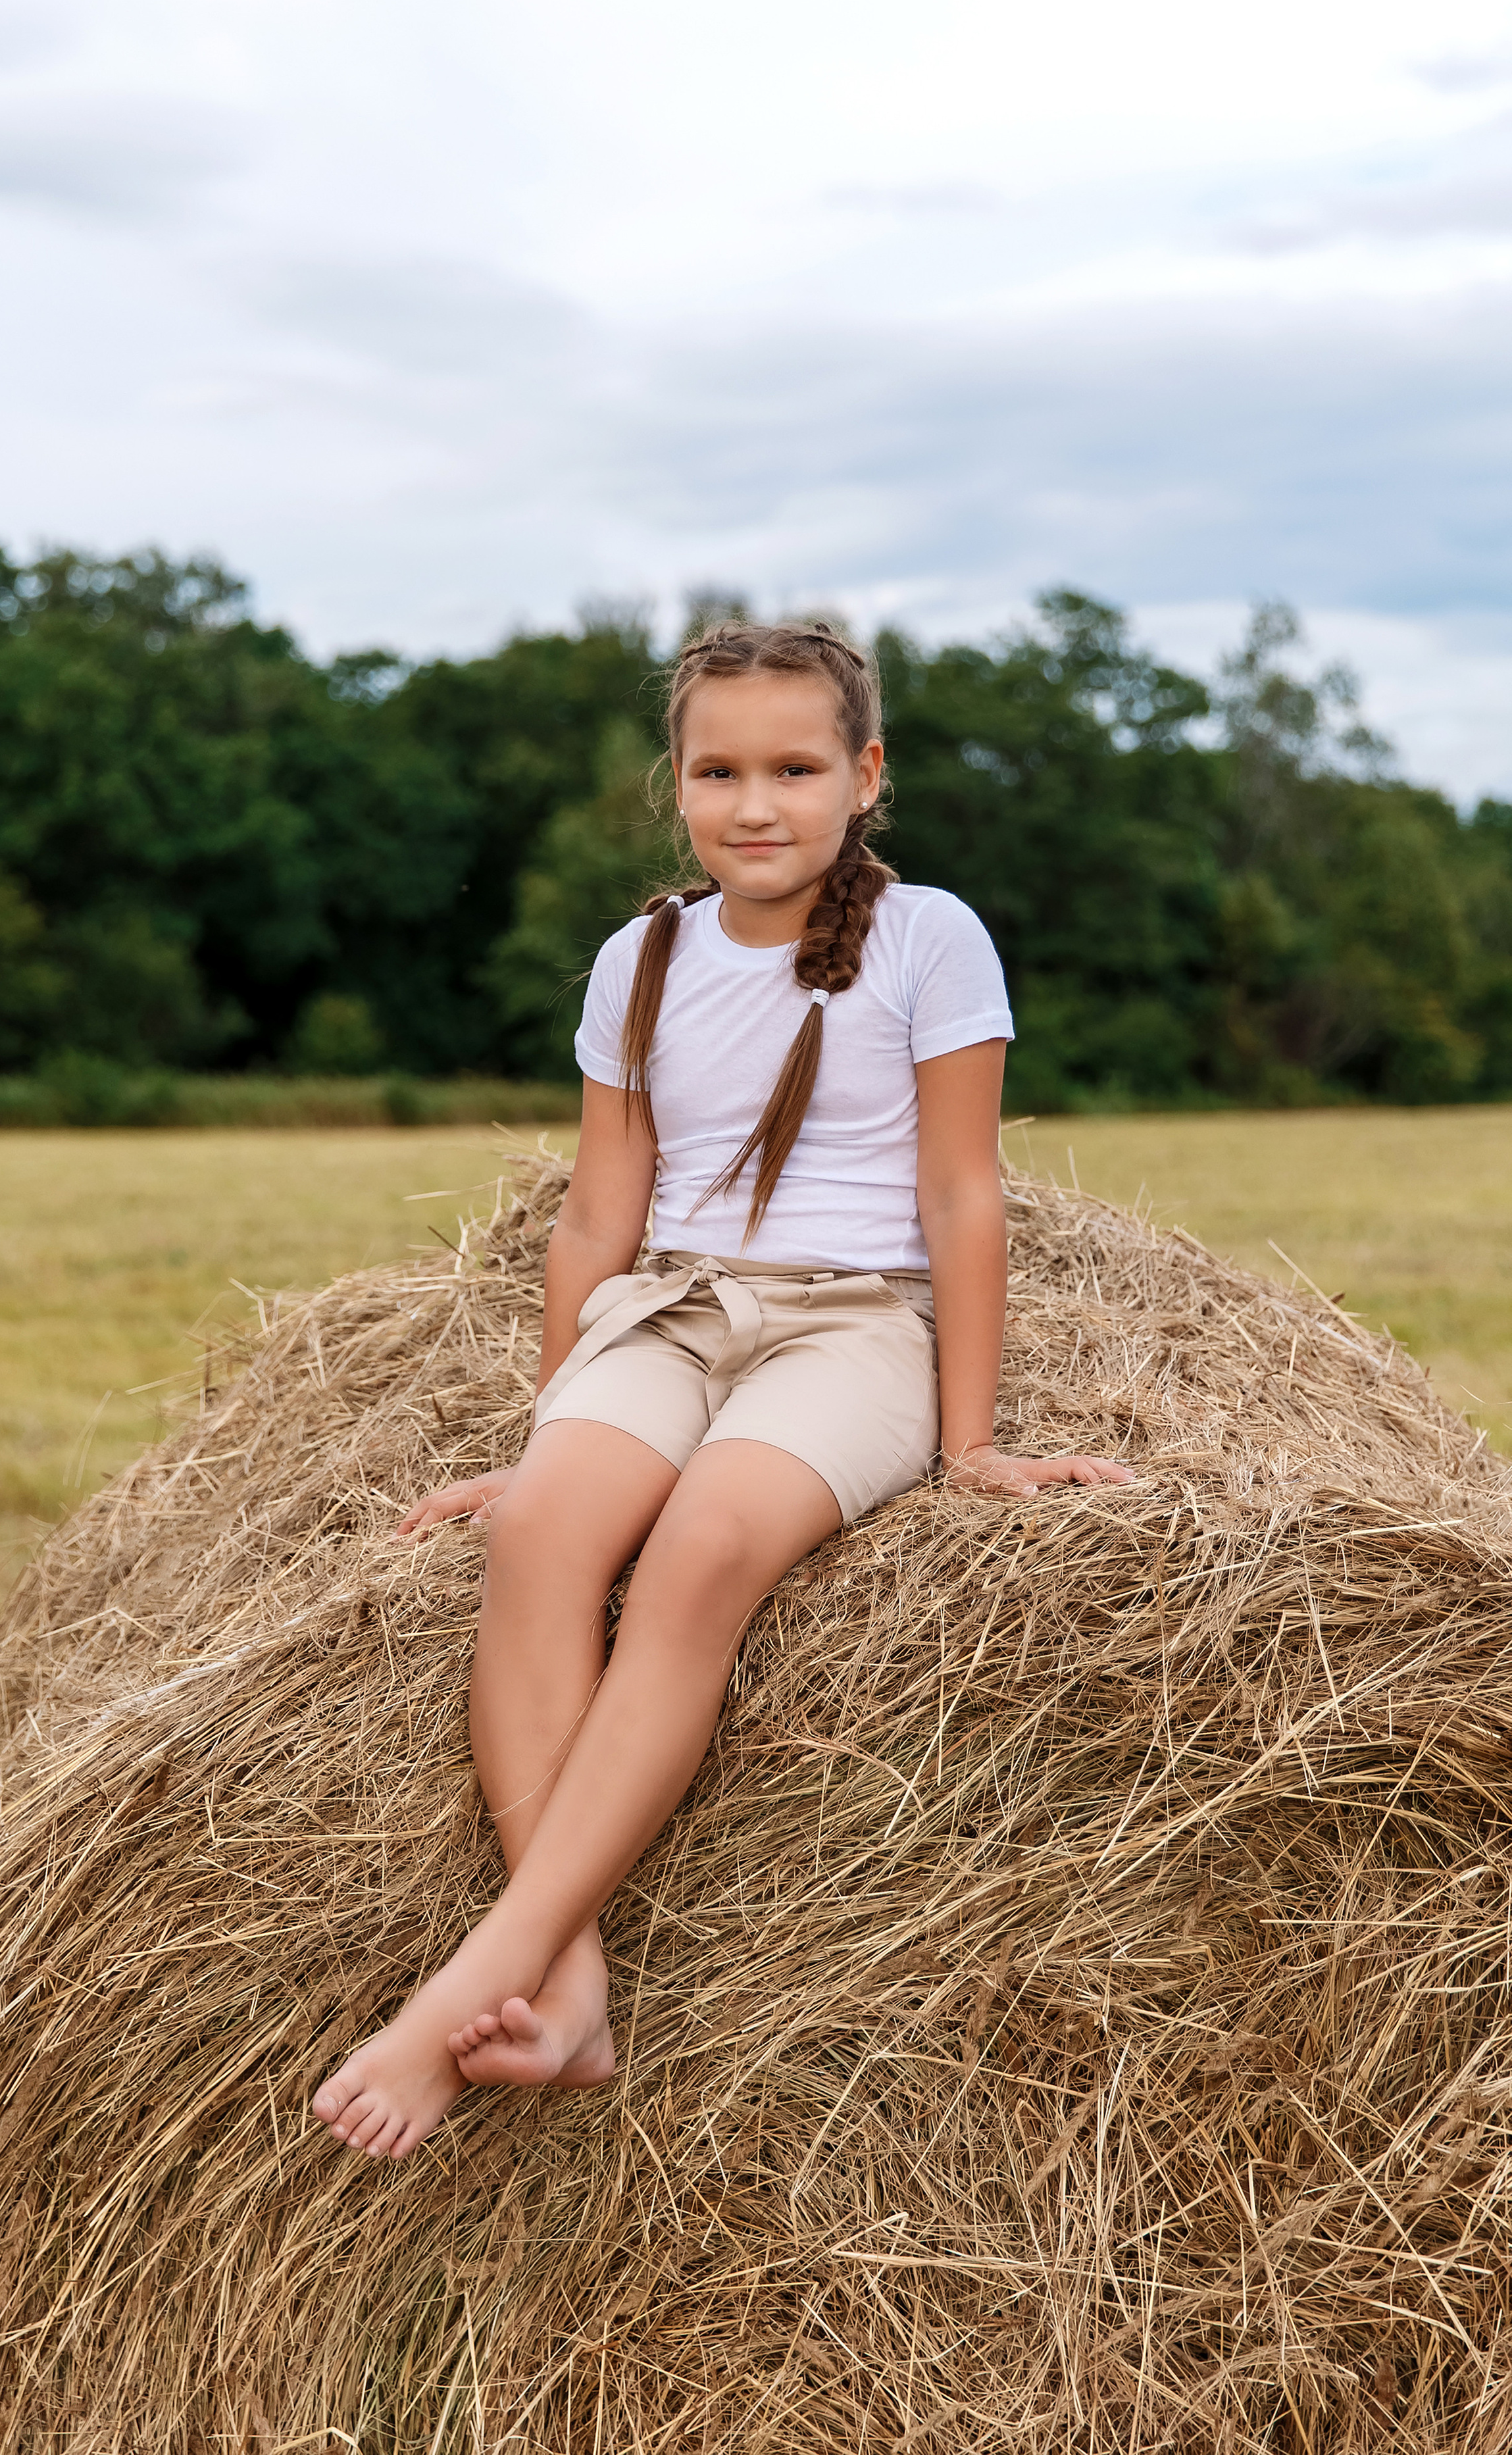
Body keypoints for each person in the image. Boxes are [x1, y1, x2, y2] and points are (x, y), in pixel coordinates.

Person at [312, 620, 1132, 2162]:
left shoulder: (930, 938)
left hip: (853, 1326)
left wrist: (971, 1446)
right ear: (675, 784)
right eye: (720, 770)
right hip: (674, 1307)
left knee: (694, 1554)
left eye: (794, 768)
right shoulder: (644, 957)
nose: (756, 804)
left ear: (863, 776)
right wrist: (548, 1430)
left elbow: (963, 1199)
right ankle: (568, 1986)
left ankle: (472, 1983)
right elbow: (594, 1214)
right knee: (542, 1540)